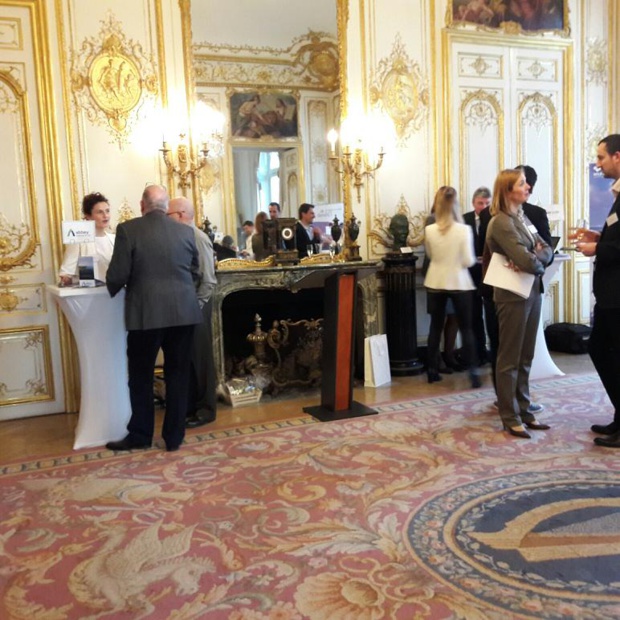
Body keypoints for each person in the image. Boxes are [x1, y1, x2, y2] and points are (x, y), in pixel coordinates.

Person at [105, 184, 202, 453]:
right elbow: (195, 271)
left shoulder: (128, 230)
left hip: (145, 314)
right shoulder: (185, 231)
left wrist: (110, 287)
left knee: (141, 376)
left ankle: (140, 435)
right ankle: (174, 437)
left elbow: (117, 275)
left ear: (142, 204)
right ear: (166, 205)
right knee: (178, 375)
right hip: (184, 312)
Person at [485, 169, 553, 438]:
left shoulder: (522, 217)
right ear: (508, 190)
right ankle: (509, 415)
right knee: (509, 358)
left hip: (531, 291)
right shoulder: (501, 222)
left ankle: (525, 410)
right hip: (512, 295)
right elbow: (527, 260)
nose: (528, 188)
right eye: (522, 184)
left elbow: (546, 248)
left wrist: (536, 257)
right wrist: (533, 258)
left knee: (526, 356)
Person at [573, 134, 620, 447]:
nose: (598, 163)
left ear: (618, 157)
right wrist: (598, 236)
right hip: (610, 294)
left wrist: (596, 249)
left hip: (617, 296)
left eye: (602, 157)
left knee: (607, 352)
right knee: (601, 350)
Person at [168, 197, 217, 429]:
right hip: (182, 306)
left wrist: (195, 307)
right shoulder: (178, 237)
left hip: (196, 305)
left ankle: (206, 409)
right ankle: (189, 406)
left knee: (200, 358)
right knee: (185, 358)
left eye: (167, 215)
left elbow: (208, 279)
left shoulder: (198, 237)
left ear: (180, 215)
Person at [423, 186, 481, 387]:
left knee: (435, 328)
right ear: (455, 204)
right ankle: (473, 372)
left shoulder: (430, 230)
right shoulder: (464, 230)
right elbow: (469, 260)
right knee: (466, 328)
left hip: (435, 281)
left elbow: (430, 255)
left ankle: (431, 370)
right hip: (459, 281)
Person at [59, 192, 115, 285]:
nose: (105, 216)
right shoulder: (78, 241)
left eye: (107, 211)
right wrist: (67, 278)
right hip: (89, 295)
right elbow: (66, 273)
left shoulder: (115, 239)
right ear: (88, 216)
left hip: (115, 293)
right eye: (100, 212)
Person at [463, 187, 491, 365]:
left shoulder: (495, 219)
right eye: (481, 203)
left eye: (487, 203)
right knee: (473, 316)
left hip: (489, 272)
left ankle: (488, 351)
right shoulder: (464, 220)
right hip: (470, 272)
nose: (484, 207)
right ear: (474, 203)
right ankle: (477, 352)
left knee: (489, 314)